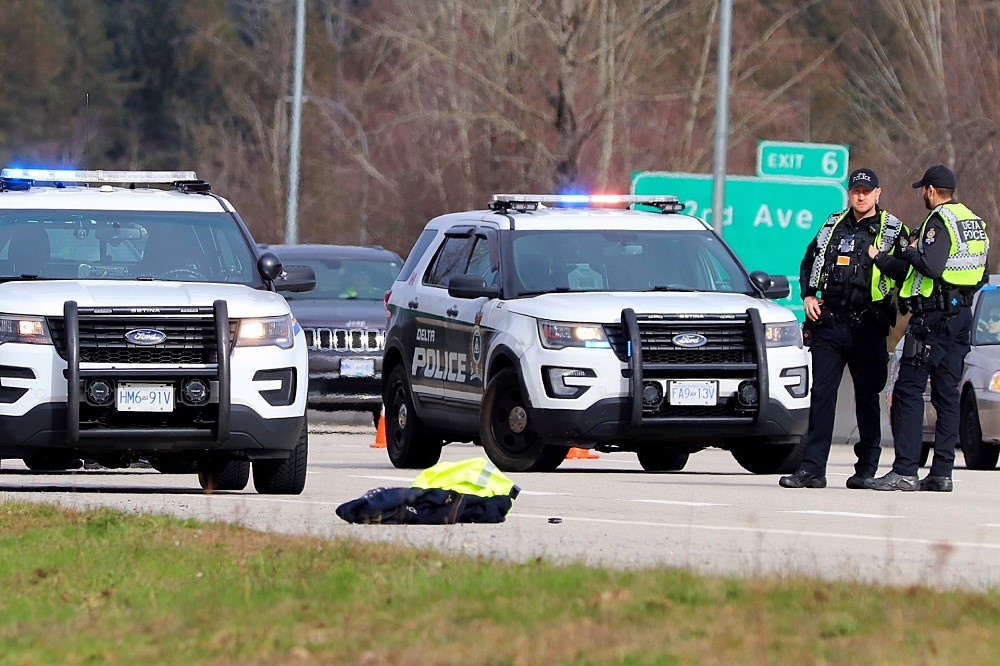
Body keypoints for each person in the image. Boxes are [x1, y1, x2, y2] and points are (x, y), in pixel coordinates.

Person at [779, 168, 908, 489]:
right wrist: (808, 294)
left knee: (867, 396)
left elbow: (909, 268)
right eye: (855, 191)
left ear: (878, 193)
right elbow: (809, 259)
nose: (861, 196)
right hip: (831, 320)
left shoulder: (893, 230)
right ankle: (812, 469)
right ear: (849, 193)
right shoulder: (832, 224)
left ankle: (866, 469)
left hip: (869, 322)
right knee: (821, 395)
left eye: (867, 191)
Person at [870, 165, 989, 492]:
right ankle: (941, 474)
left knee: (908, 390)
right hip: (960, 315)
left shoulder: (938, 222)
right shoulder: (974, 223)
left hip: (932, 320)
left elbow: (932, 266)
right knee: (946, 394)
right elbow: (981, 275)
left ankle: (906, 471)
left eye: (924, 189)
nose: (923, 193)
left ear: (933, 190)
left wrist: (909, 250)